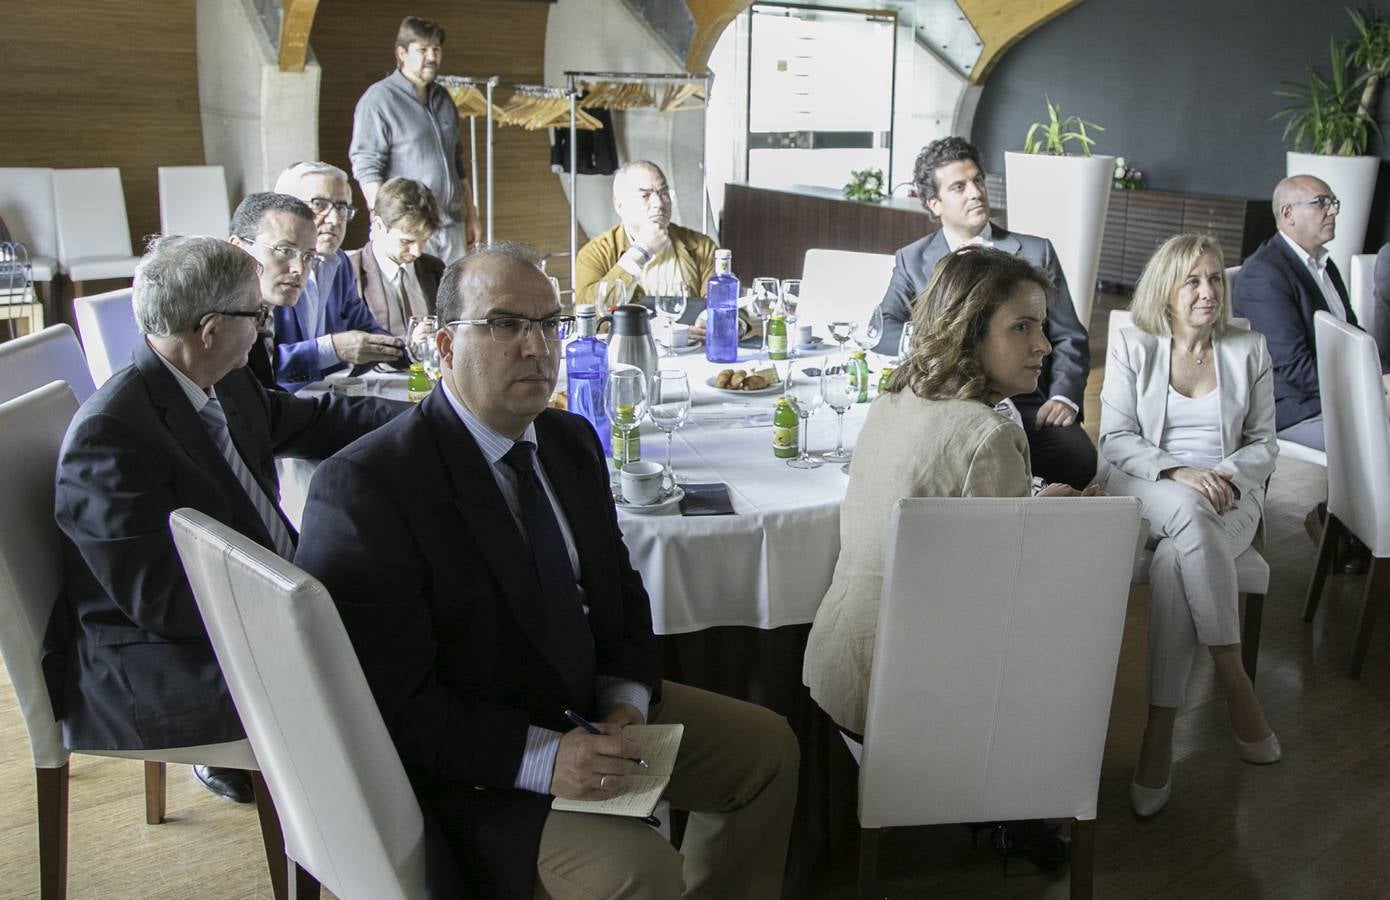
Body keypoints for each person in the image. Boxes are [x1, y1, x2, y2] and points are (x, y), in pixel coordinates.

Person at [294, 242, 799, 898]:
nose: (537, 347)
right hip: (479, 774)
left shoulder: (569, 441)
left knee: (768, 751)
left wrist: (625, 700)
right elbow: (386, 702)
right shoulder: (371, 486)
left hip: (588, 712)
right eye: (505, 325)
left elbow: (620, 592)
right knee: (639, 871)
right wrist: (545, 758)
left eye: (549, 324)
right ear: (445, 346)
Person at [42, 235, 405, 804]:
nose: (266, 325)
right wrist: (296, 617)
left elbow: (318, 420)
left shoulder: (223, 379)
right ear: (209, 329)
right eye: (257, 314)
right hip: (157, 662)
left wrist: (435, 417)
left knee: (406, 601)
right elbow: (161, 602)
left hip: (251, 595)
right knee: (386, 648)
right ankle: (364, 821)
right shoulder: (110, 437)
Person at [1100, 233, 1281, 818]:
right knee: (1183, 510)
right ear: (1167, 290)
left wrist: (1221, 472)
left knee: (1179, 559)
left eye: (1215, 280)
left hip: (1229, 495)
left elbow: (1264, 444)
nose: (1209, 292)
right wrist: (1177, 469)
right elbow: (1116, 439)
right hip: (1148, 485)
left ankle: (1158, 734)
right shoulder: (1134, 345)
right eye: (1193, 281)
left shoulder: (1249, 348)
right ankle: (1235, 681)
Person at [872, 137, 1095, 490]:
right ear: (935, 204)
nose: (975, 192)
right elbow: (882, 329)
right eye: (959, 187)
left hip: (1024, 402)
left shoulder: (1036, 252)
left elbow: (1069, 335)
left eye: (978, 180)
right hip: (942, 401)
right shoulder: (912, 260)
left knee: (1078, 457)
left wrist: (1063, 396)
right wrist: (946, 343)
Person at [1231, 175, 1355, 451]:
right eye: (1321, 203)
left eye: (1334, 203)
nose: (1333, 210)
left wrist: (1382, 378)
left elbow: (1355, 335)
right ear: (1288, 213)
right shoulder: (1264, 274)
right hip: (1297, 410)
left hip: (1332, 395)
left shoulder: (1324, 264)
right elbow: (1294, 367)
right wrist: (1363, 393)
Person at [349, 15, 480, 264]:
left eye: (436, 49)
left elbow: (457, 161)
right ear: (402, 53)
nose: (432, 57)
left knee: (455, 299)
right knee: (417, 300)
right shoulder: (378, 99)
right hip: (411, 231)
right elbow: (366, 166)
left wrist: (472, 215)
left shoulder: (443, 98)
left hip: (452, 226)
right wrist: (383, 220)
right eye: (422, 50)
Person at [574, 160, 750, 341]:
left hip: (691, 353)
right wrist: (641, 251)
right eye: (645, 196)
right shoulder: (596, 253)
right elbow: (588, 317)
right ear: (619, 205)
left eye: (663, 192)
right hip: (627, 355)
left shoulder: (701, 246)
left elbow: (735, 308)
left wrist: (730, 325)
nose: (658, 203)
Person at [270, 163, 406, 388]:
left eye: (342, 207)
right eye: (319, 204)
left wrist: (414, 348)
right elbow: (259, 364)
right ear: (284, 210)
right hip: (276, 404)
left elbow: (365, 327)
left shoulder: (338, 262)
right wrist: (332, 349)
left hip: (324, 397)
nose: (334, 219)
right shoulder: (265, 267)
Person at [346, 176, 446, 337]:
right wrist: (408, 343)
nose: (417, 252)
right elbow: (349, 345)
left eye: (424, 240)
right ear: (379, 225)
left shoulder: (435, 269)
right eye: (406, 241)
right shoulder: (349, 272)